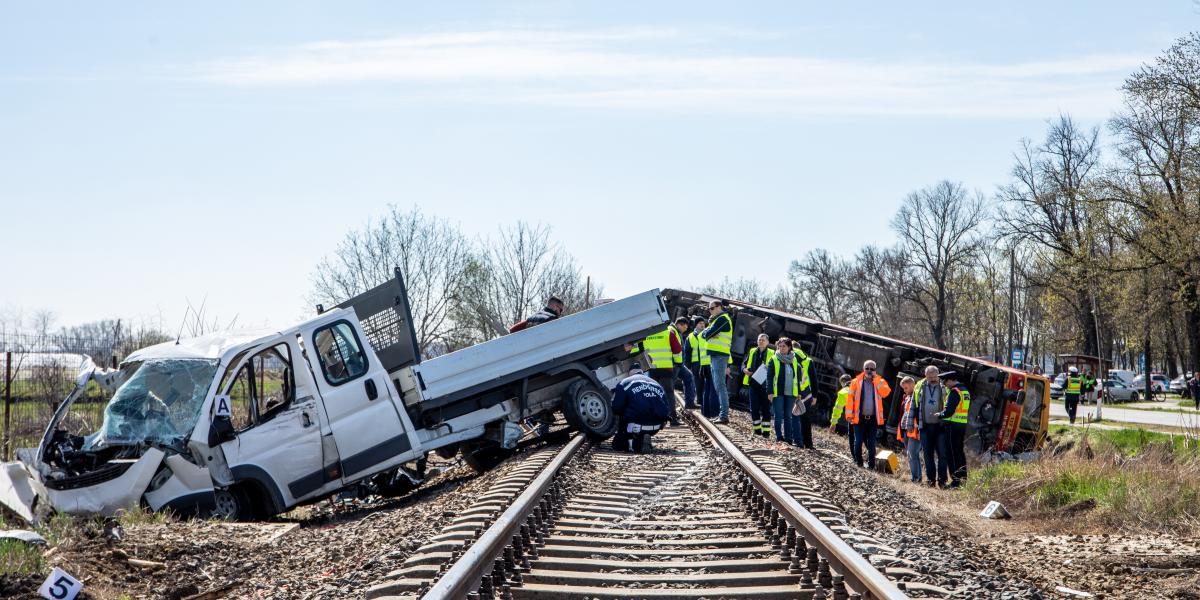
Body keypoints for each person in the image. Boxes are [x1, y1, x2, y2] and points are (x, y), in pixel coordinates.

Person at [610, 364, 670, 453]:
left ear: (630, 373)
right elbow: (667, 407)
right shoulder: (656, 384)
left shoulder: (624, 383)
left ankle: (633, 442)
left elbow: (616, 407)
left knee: (617, 446)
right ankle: (645, 436)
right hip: (656, 426)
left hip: (634, 426)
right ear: (642, 372)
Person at [630, 326, 681, 426]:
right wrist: (678, 362)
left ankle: (657, 419)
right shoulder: (668, 333)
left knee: (653, 393)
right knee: (669, 393)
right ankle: (672, 419)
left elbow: (635, 351)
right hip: (666, 368)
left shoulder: (645, 334)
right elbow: (677, 350)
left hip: (651, 369)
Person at [846, 360, 892, 469]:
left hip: (872, 419)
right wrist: (848, 415)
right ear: (863, 369)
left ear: (875, 370)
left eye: (872, 369)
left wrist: (876, 379)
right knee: (858, 442)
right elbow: (850, 399)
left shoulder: (879, 381)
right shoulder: (856, 381)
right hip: (859, 418)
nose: (869, 371)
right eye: (867, 368)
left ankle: (871, 466)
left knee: (871, 444)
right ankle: (859, 463)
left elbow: (885, 393)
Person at [913, 366, 951, 487]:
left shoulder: (945, 387)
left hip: (940, 427)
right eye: (930, 377)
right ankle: (930, 481)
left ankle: (942, 481)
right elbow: (914, 405)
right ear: (925, 376)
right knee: (927, 455)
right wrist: (910, 424)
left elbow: (950, 406)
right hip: (924, 426)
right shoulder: (919, 386)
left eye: (935, 376)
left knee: (943, 455)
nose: (933, 379)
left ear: (938, 375)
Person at [766, 337, 805, 446]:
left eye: (784, 346)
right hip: (777, 392)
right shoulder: (774, 359)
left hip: (791, 394)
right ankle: (779, 436)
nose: (782, 348)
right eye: (780, 346)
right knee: (778, 415)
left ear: (789, 347)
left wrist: (799, 393)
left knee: (788, 416)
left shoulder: (794, 360)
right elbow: (769, 377)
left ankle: (788, 438)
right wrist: (769, 392)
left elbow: (797, 378)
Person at [701, 300, 734, 424]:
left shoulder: (723, 319)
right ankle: (722, 414)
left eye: (712, 308)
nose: (710, 311)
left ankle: (724, 415)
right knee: (718, 386)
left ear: (719, 307)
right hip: (715, 356)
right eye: (709, 309)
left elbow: (708, 334)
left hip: (720, 356)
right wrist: (708, 333)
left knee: (720, 386)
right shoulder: (715, 320)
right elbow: (705, 334)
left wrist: (708, 333)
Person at [742, 334, 775, 437]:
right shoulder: (752, 351)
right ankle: (757, 431)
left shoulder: (772, 353)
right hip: (753, 384)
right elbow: (744, 363)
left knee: (766, 409)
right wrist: (744, 370)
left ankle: (766, 432)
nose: (761, 341)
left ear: (767, 342)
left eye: (763, 340)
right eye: (759, 339)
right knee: (754, 408)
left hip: (765, 385)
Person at [942, 371, 970, 487]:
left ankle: (955, 481)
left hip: (952, 425)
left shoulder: (955, 392)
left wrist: (939, 415)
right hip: (961, 425)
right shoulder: (965, 390)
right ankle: (963, 478)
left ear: (950, 380)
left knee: (952, 453)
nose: (945, 385)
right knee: (959, 452)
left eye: (945, 382)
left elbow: (949, 412)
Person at [895, 376, 921, 483]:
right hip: (906, 430)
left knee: (912, 454)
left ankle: (916, 478)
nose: (904, 390)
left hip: (914, 431)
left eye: (906, 388)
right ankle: (915, 477)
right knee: (911, 454)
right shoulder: (907, 397)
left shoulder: (918, 397)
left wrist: (919, 430)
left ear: (912, 385)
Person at [670, 317, 697, 412]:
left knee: (689, 377)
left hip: (679, 364)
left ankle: (689, 403)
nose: (685, 329)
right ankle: (670, 411)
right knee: (670, 387)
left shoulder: (676, 331)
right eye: (685, 327)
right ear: (679, 325)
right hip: (673, 363)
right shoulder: (671, 331)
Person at [829, 374, 855, 455]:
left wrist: (833, 423)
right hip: (866, 416)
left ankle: (855, 457)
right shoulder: (858, 388)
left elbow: (837, 409)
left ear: (842, 383)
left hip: (853, 418)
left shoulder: (843, 392)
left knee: (853, 437)